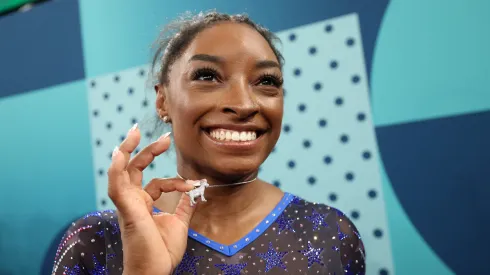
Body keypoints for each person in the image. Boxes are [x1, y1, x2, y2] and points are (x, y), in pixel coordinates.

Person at [52, 11, 365, 275]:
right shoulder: (96, 241)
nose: (244, 105)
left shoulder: (328, 232)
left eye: (266, 81)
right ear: (163, 100)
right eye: (207, 76)